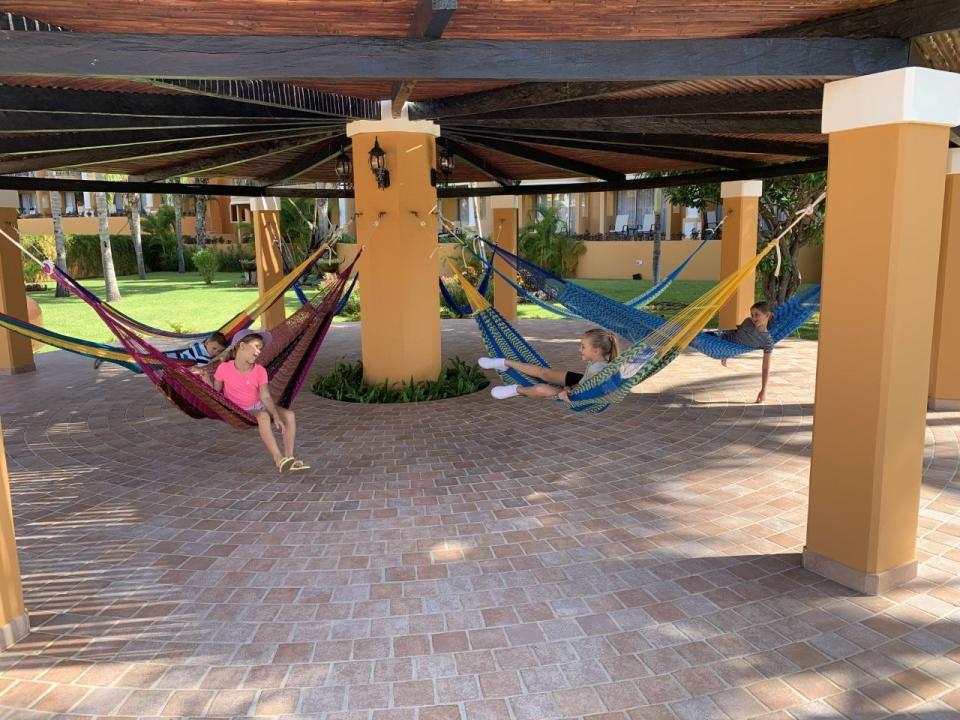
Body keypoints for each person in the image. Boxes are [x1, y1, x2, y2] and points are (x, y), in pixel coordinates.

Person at [212, 331, 307, 473]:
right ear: (242, 346)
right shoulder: (224, 368)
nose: (258, 352)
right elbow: (214, 392)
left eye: (260, 349)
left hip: (259, 405)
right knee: (263, 416)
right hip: (239, 409)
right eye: (256, 346)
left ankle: (289, 458)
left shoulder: (259, 370)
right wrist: (203, 377)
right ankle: (278, 458)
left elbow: (265, 396)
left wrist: (275, 416)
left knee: (289, 415)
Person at [479, 328, 619, 401]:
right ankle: (504, 363)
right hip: (581, 382)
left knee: (540, 389)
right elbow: (588, 382)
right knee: (543, 373)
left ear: (596, 350)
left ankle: (516, 389)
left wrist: (568, 390)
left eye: (583, 347)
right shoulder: (599, 362)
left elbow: (595, 391)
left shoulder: (599, 370)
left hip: (579, 396)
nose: (579, 349)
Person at [711, 301, 774, 404]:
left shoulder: (767, 341)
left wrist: (763, 390)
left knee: (693, 339)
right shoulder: (748, 322)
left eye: (757, 315)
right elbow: (734, 333)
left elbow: (766, 368)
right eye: (752, 315)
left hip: (723, 345)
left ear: (767, 315)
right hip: (720, 338)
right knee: (694, 337)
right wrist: (725, 352)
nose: (753, 318)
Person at [93, 331, 228, 371]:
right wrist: (219, 360)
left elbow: (193, 345)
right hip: (165, 359)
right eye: (214, 348)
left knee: (138, 360)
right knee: (138, 364)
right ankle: (109, 353)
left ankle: (110, 354)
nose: (215, 352)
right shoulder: (203, 355)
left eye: (218, 351)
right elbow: (201, 368)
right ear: (208, 343)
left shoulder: (200, 346)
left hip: (166, 359)